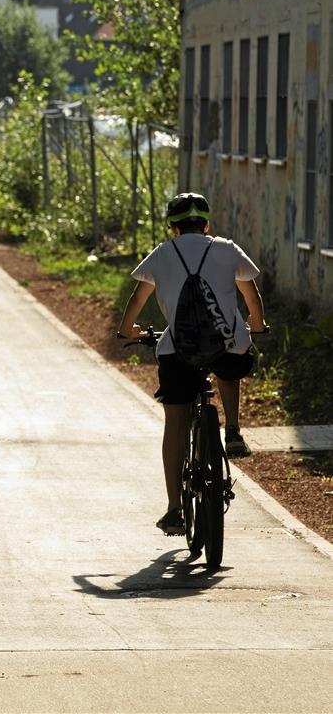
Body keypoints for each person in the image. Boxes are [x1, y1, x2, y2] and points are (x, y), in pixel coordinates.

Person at [117, 192, 268, 536]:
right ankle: (232, 431)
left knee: (176, 420)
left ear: (173, 228)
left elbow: (137, 297)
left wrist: (127, 331)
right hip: (228, 346)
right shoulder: (226, 248)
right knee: (230, 360)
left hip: (179, 351)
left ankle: (174, 509)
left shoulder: (162, 254)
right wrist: (256, 326)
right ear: (206, 224)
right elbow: (250, 294)